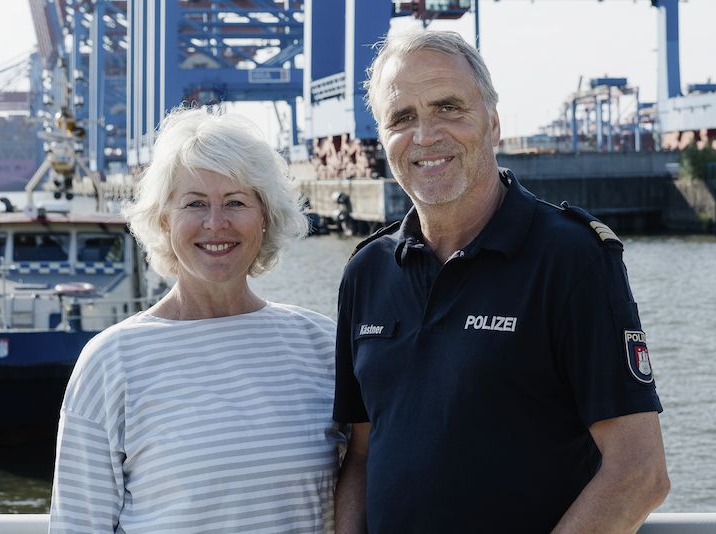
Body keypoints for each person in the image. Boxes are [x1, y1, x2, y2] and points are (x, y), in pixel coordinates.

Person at [333, 28, 670, 533]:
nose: (426, 136)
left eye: (449, 108)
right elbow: (360, 454)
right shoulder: (366, 273)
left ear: (493, 124)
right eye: (402, 118)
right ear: (383, 141)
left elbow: (639, 472)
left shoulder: (570, 258)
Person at [49, 106, 340, 533]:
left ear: (265, 218)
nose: (215, 223)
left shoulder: (321, 345)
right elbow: (78, 524)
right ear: (165, 221)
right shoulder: (112, 362)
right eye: (195, 204)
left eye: (236, 202)